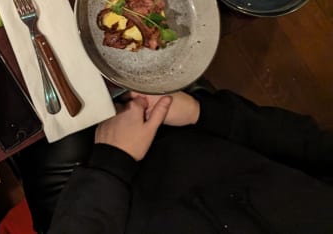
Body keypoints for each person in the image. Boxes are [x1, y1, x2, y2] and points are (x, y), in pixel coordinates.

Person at [19, 88, 333, 233]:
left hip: (96, 199)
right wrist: (203, 113)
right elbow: (313, 146)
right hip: (198, 132)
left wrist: (111, 162)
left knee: (32, 106)